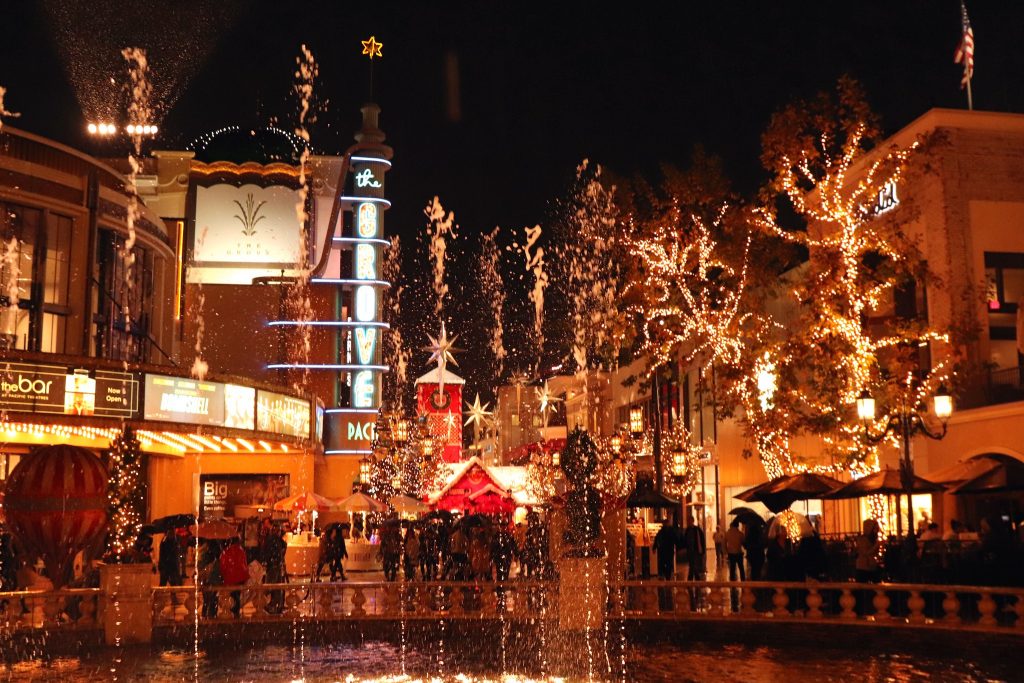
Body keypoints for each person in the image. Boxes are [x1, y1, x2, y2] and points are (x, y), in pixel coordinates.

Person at [219, 536, 250, 617]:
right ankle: (236, 611)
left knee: (232, 595)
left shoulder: (226, 551)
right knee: (237, 594)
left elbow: (223, 565)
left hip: (231, 577)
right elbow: (244, 563)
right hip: (240, 576)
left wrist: (223, 574)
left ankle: (233, 610)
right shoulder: (241, 550)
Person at [262, 526, 287, 614]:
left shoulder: (272, 540)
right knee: (274, 587)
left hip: (274, 566)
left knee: (275, 587)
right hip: (275, 566)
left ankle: (273, 605)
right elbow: (280, 552)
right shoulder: (275, 541)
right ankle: (270, 604)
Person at [855, 519, 882, 583]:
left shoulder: (873, 539)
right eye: (875, 529)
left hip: (871, 566)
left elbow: (874, 553)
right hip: (863, 567)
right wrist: (876, 546)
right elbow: (865, 552)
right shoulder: (862, 539)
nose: (876, 531)